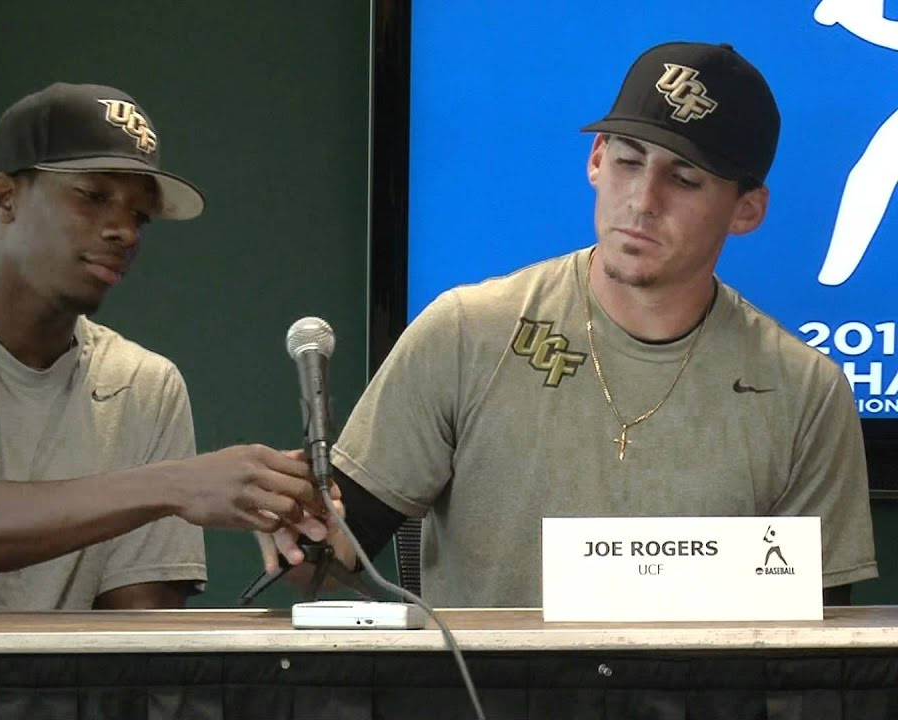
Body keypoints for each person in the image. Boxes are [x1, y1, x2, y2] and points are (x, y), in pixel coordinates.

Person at [261, 41, 878, 607]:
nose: (643, 199)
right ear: (596, 160)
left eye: (684, 179)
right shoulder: (465, 331)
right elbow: (334, 550)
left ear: (747, 210)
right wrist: (300, 535)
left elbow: (818, 638)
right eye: (629, 162)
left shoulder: (805, 392)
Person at [0, 82, 327, 611]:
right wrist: (175, 485)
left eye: (139, 215)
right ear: (4, 199)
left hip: (45, 697)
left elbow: (141, 635)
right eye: (93, 196)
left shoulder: (143, 384)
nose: (124, 230)